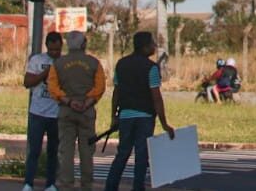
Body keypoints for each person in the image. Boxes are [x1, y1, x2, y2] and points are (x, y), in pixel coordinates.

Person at [104, 31, 175, 191]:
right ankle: (137, 187)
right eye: (152, 44)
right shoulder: (151, 68)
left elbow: (117, 92)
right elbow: (156, 97)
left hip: (125, 116)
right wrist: (164, 123)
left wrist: (114, 115)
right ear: (144, 47)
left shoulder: (121, 64)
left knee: (122, 154)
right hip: (145, 117)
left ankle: (110, 187)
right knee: (141, 156)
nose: (154, 47)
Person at [46, 31, 105, 191]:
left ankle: (66, 185)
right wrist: (87, 102)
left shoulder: (58, 64)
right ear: (83, 43)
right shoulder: (94, 63)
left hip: (66, 110)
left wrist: (69, 101)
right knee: (87, 151)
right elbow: (100, 86)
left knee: (66, 151)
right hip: (87, 111)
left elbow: (52, 87)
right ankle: (86, 185)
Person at [22, 31, 62, 191]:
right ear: (47, 47)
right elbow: (27, 82)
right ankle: (28, 183)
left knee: (53, 151)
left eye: (57, 50)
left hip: (56, 114)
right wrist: (45, 73)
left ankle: (51, 183)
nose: (54, 53)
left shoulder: (64, 62)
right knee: (34, 150)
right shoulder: (37, 60)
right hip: (38, 112)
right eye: (51, 50)